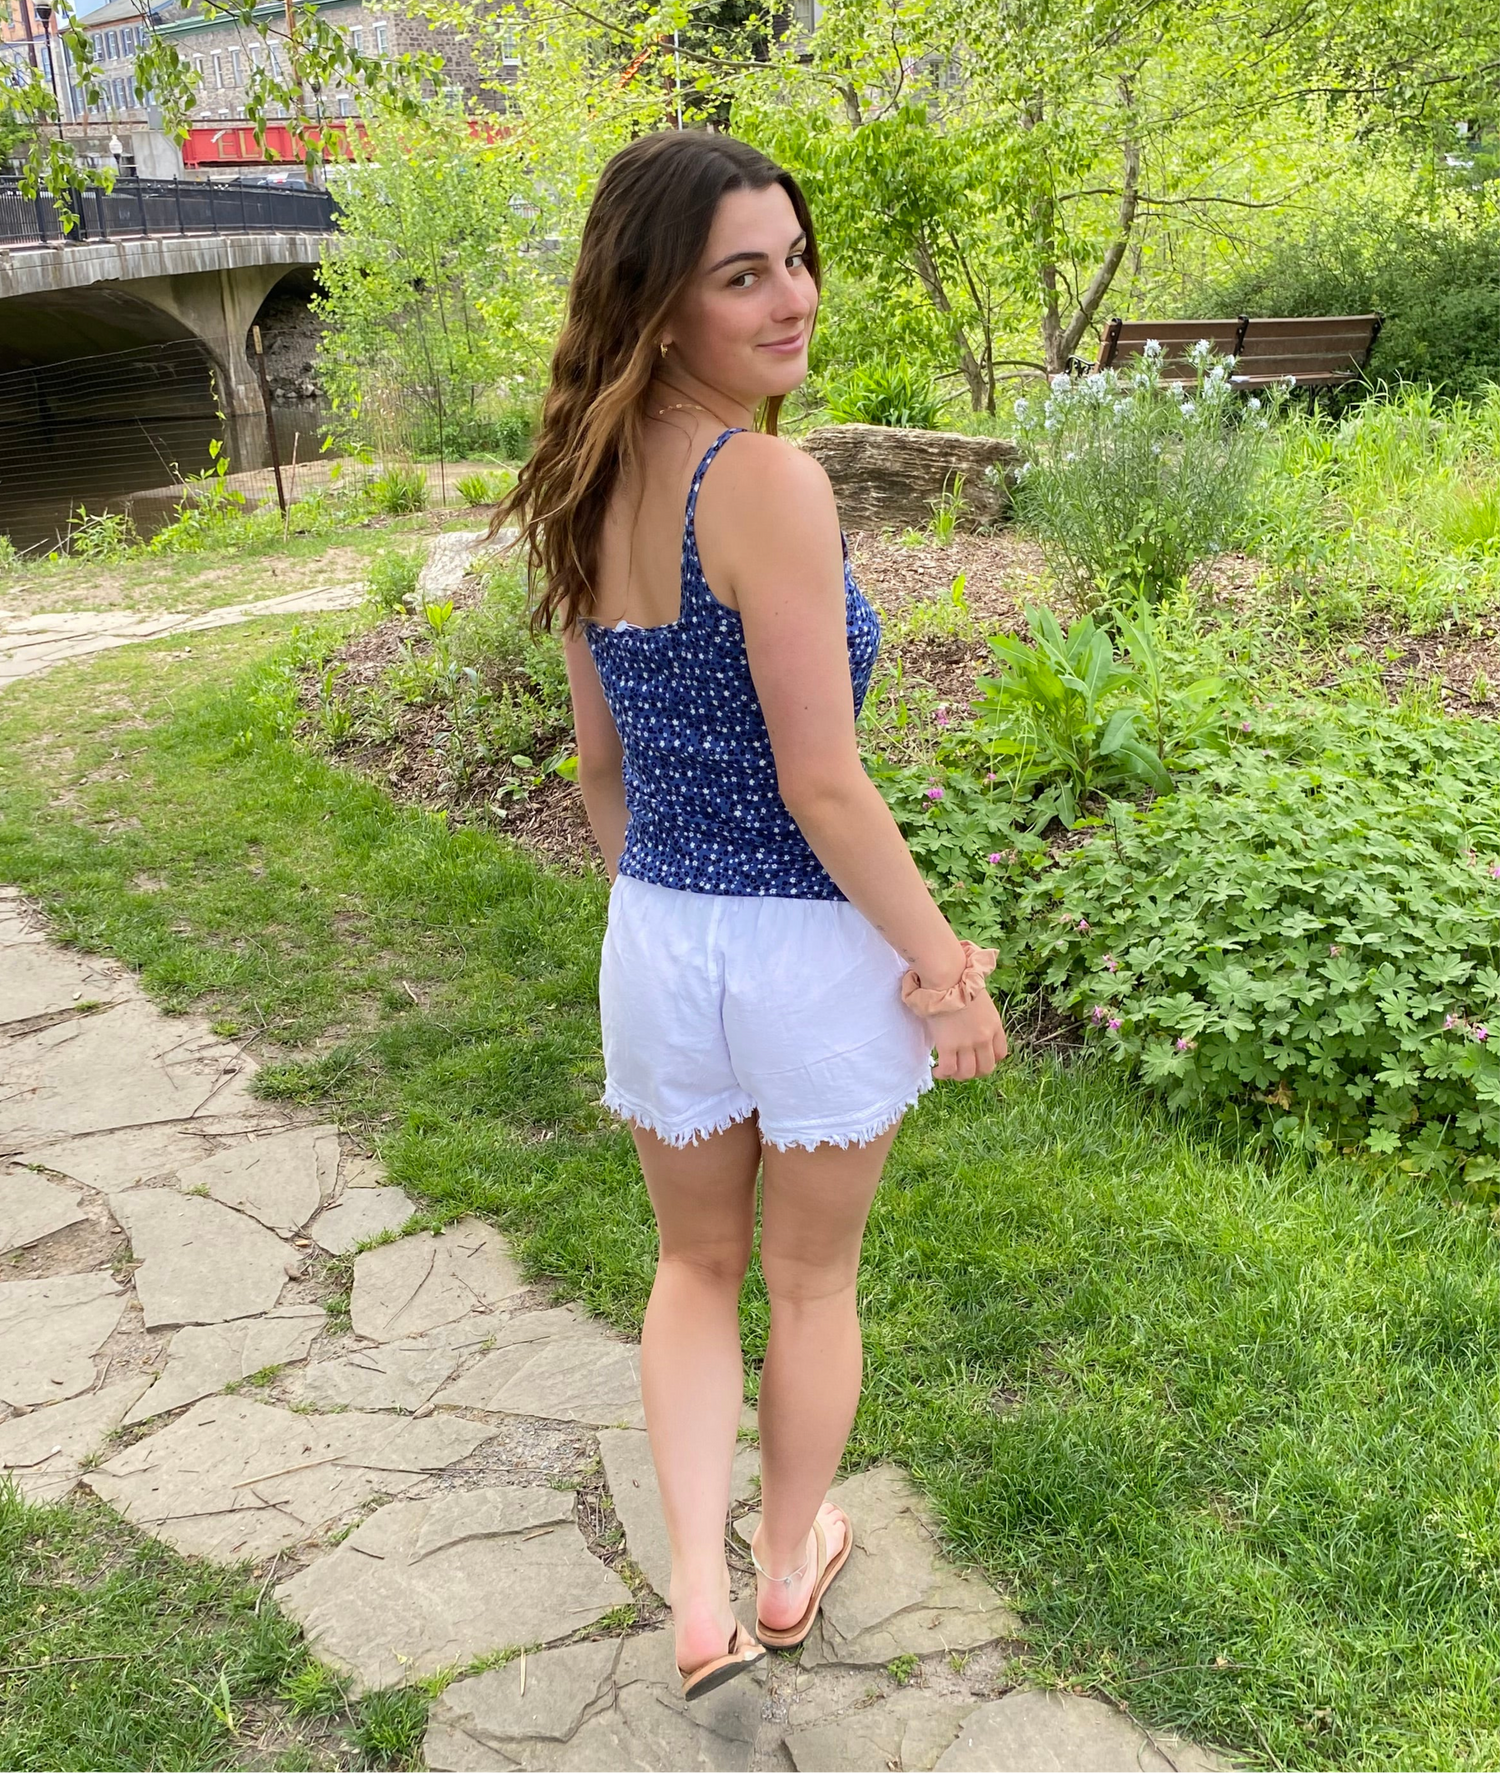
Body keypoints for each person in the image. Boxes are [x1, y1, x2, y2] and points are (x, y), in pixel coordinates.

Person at [495, 130, 1007, 1701]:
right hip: (801, 944)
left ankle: (698, 1607)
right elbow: (824, 785)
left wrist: (667, 922)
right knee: (810, 1283)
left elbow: (599, 771)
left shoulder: (582, 477)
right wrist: (948, 971)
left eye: (795, 260)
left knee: (692, 1267)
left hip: (659, 932)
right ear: (657, 303)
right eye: (742, 276)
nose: (792, 299)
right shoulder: (764, 479)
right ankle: (786, 1570)